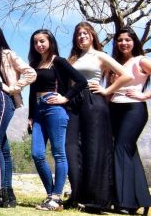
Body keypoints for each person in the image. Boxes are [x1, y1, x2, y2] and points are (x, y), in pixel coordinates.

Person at [66, 21, 129, 211]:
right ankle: (76, 194)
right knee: (71, 148)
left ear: (92, 36)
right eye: (78, 34)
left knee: (94, 149)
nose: (82, 37)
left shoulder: (100, 55)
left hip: (94, 102)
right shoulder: (73, 59)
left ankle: (96, 199)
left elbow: (126, 75)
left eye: (85, 33)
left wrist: (106, 89)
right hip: (74, 104)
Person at [27, 29, 87, 211]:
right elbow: (31, 92)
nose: (39, 45)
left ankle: (56, 197)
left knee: (58, 153)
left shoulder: (58, 61)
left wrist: (65, 98)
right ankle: (50, 195)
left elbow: (81, 81)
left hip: (55, 109)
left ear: (50, 41)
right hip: (38, 111)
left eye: (42, 41)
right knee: (37, 154)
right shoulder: (35, 64)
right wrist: (30, 115)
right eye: (36, 42)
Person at [0, 24, 36, 208]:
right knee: (3, 147)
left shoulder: (7, 54)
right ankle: (9, 196)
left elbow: (30, 72)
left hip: (3, 100)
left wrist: (13, 88)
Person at [109, 27, 151, 214]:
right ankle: (142, 199)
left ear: (134, 42)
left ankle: (126, 203)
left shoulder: (140, 60)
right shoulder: (115, 63)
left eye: (127, 39)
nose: (123, 43)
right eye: (119, 40)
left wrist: (144, 96)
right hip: (114, 109)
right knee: (128, 151)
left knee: (121, 148)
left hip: (133, 109)